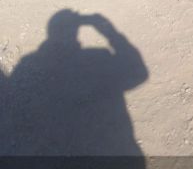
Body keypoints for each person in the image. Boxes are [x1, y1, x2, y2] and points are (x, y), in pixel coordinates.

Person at [3, 9, 148, 157]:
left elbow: (14, 109)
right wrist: (110, 32)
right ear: (75, 32)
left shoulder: (30, 65)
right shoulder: (98, 58)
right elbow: (139, 73)